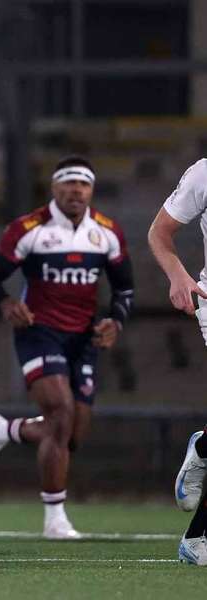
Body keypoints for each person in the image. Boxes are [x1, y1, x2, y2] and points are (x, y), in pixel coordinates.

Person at [0, 156, 134, 539]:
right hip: (39, 332)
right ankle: (55, 519)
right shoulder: (29, 229)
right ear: (54, 187)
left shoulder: (107, 232)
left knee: (72, 434)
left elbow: (125, 289)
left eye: (84, 183)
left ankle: (3, 429)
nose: (76, 190)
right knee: (60, 414)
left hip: (84, 339)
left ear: (92, 190)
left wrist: (116, 321)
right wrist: (6, 304)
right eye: (69, 182)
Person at [146, 158, 207, 566]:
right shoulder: (205, 172)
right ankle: (197, 538)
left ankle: (203, 446)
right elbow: (159, 232)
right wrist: (177, 275)